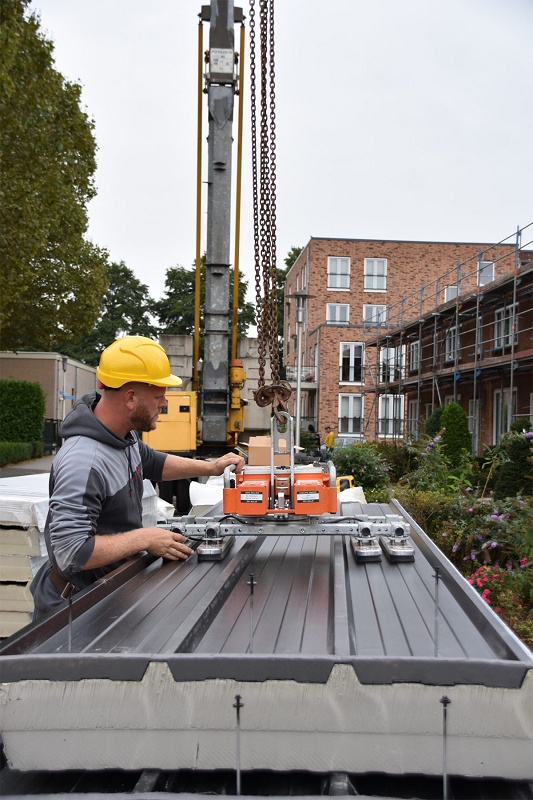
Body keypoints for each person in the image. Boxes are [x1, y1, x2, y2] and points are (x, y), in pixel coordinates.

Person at [30, 336, 245, 618]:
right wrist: (145, 538)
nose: (165, 404)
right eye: (158, 396)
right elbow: (71, 551)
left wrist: (211, 467)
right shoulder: (83, 462)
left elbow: (152, 462)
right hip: (74, 608)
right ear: (131, 398)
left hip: (107, 590)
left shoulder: (122, 436)